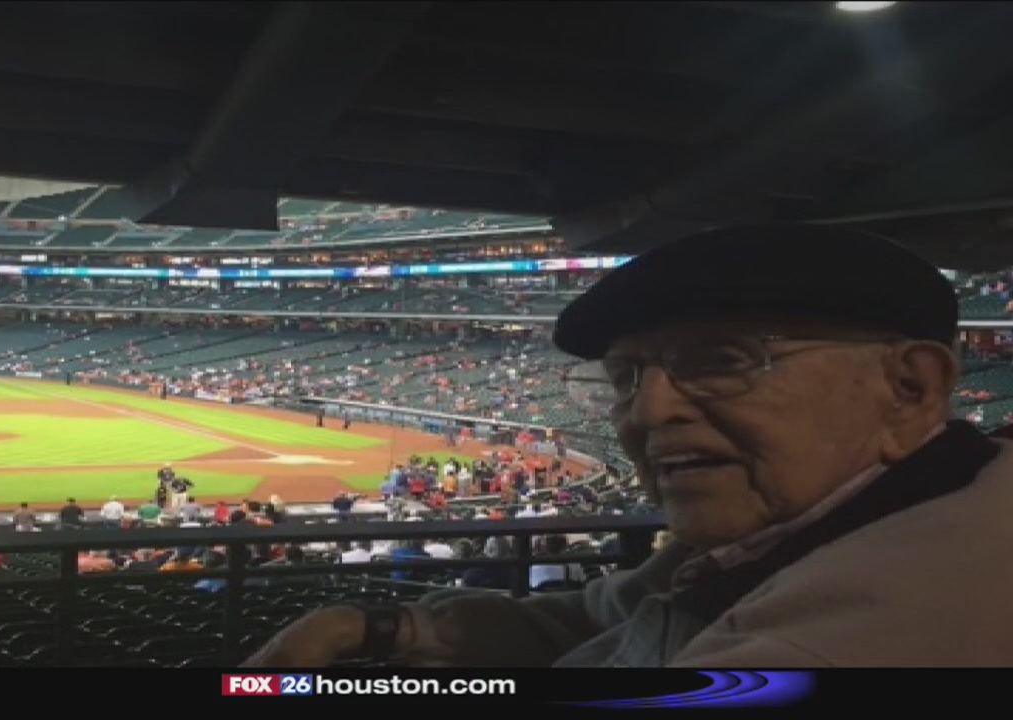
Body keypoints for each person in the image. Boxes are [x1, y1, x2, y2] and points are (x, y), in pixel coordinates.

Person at [243, 223, 1013, 668]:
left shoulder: (885, 624)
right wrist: (397, 629)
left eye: (720, 362)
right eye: (624, 377)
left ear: (911, 388)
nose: (646, 412)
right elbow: (614, 614)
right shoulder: (811, 521)